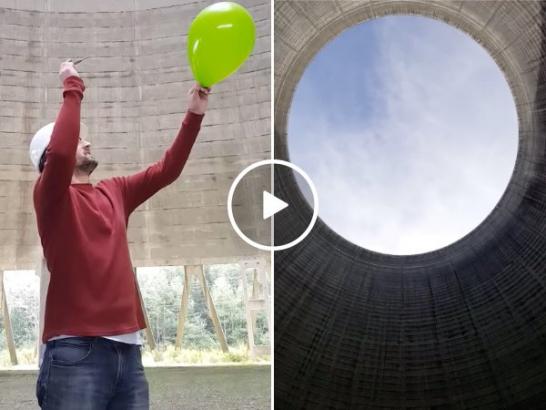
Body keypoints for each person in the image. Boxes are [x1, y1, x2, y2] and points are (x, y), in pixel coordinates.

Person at [31, 60, 209, 410]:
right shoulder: (50, 197)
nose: (87, 141)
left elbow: (167, 170)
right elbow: (63, 150)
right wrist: (72, 84)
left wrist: (194, 116)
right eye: (80, 138)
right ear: (48, 156)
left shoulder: (114, 191)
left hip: (129, 352)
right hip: (75, 350)